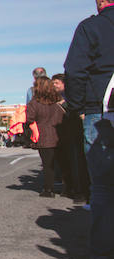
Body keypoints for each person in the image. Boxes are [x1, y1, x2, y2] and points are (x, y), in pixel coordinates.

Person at [64, 0, 114, 259]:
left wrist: (79, 106)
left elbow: (75, 71)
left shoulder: (90, 27)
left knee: (105, 189)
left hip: (101, 113)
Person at [52, 73, 89, 203]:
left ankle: (81, 192)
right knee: (72, 161)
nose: (54, 85)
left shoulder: (70, 96)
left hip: (75, 131)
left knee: (77, 160)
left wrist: (63, 104)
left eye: (56, 82)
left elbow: (77, 110)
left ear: (64, 83)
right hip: (67, 133)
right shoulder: (60, 97)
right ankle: (75, 188)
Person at [25, 77, 65, 197]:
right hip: (60, 135)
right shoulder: (57, 101)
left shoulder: (35, 103)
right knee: (62, 163)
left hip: (44, 136)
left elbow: (29, 119)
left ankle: (48, 189)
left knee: (48, 165)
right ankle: (67, 187)